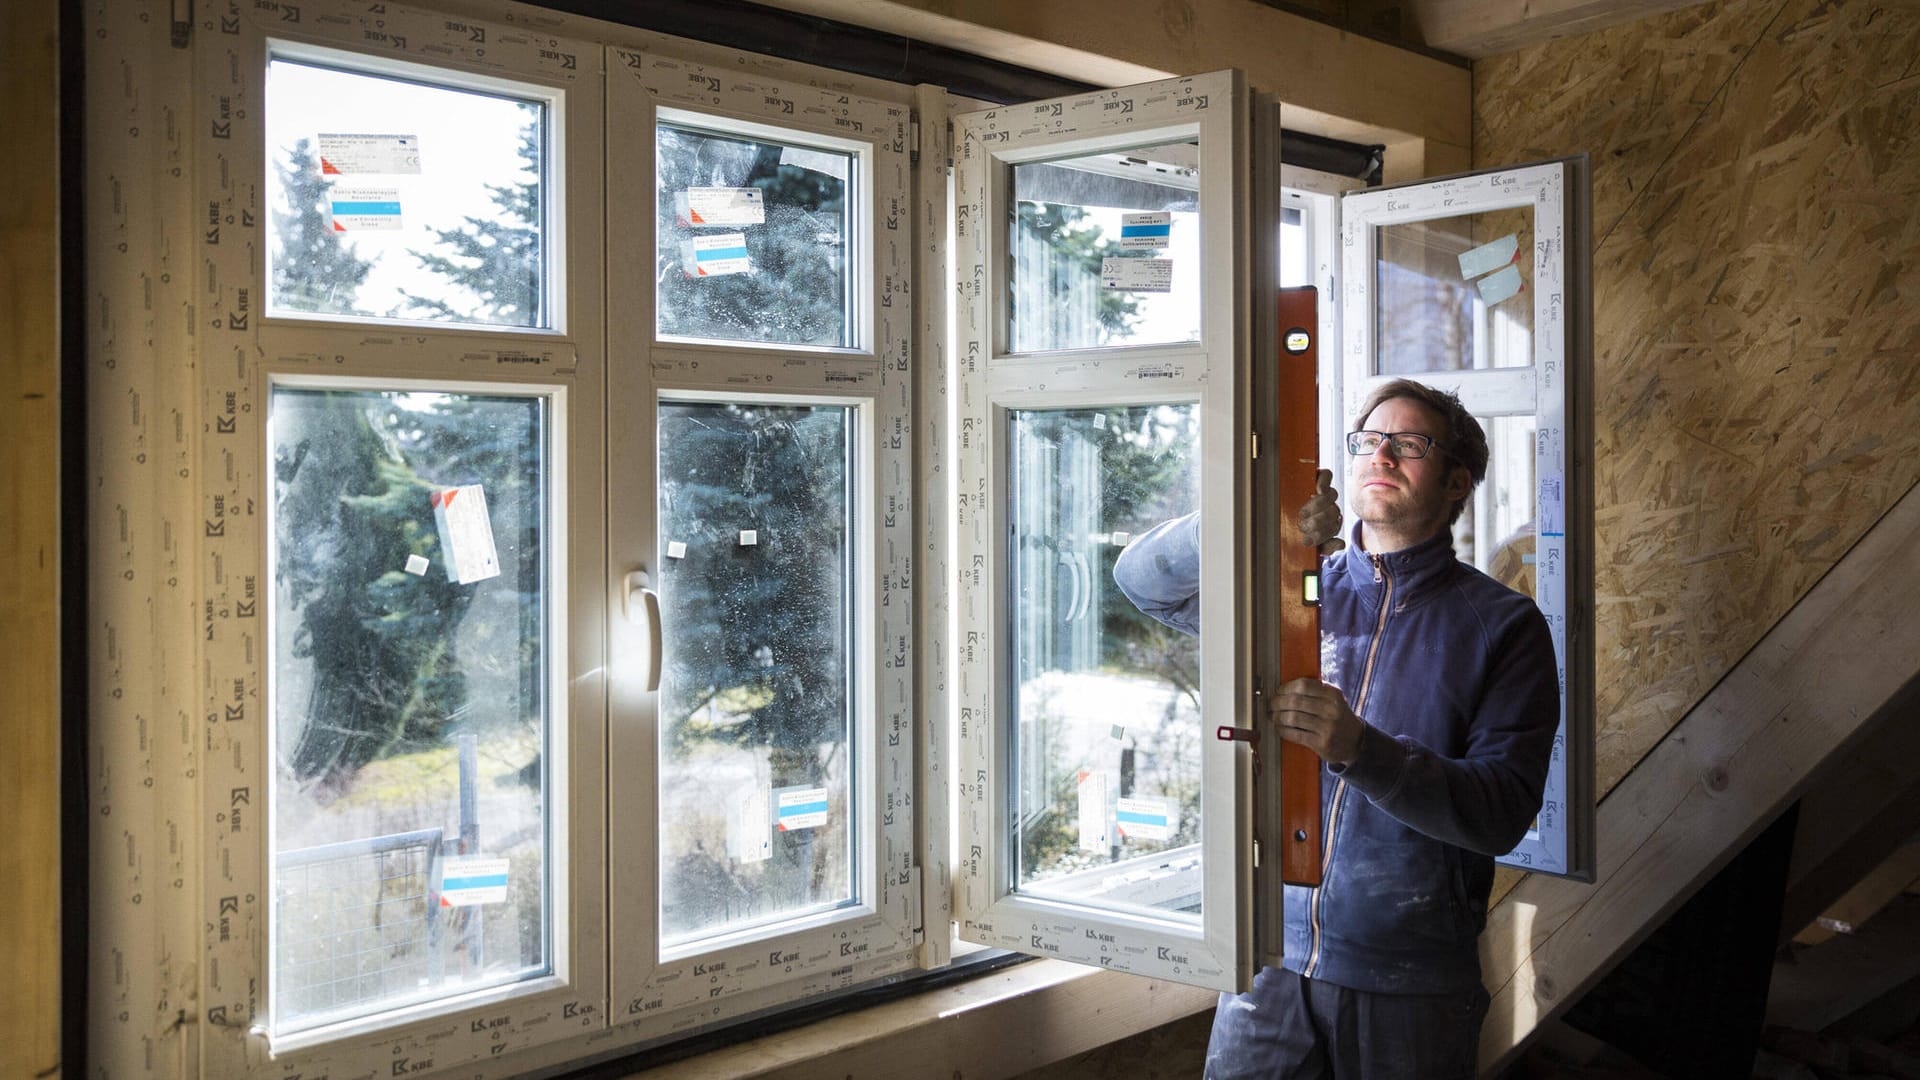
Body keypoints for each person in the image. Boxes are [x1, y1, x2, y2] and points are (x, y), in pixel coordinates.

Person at [1112, 379, 1560, 1079]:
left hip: (1411, 985)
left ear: (1455, 482)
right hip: (1269, 963)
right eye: (1368, 441)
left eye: (1410, 444)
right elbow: (1141, 581)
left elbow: (1501, 810)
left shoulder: (1503, 626)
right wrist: (1263, 517)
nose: (1381, 454)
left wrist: (1363, 752)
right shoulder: (1295, 584)